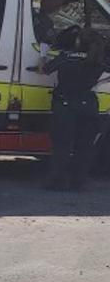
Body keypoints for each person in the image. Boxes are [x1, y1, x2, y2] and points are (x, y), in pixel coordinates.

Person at [40, 28, 107, 191]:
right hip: (89, 105)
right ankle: (79, 183)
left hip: (66, 106)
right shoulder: (98, 60)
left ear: (78, 42)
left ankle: (57, 182)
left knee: (62, 146)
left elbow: (43, 70)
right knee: (84, 147)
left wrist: (43, 54)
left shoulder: (66, 57)